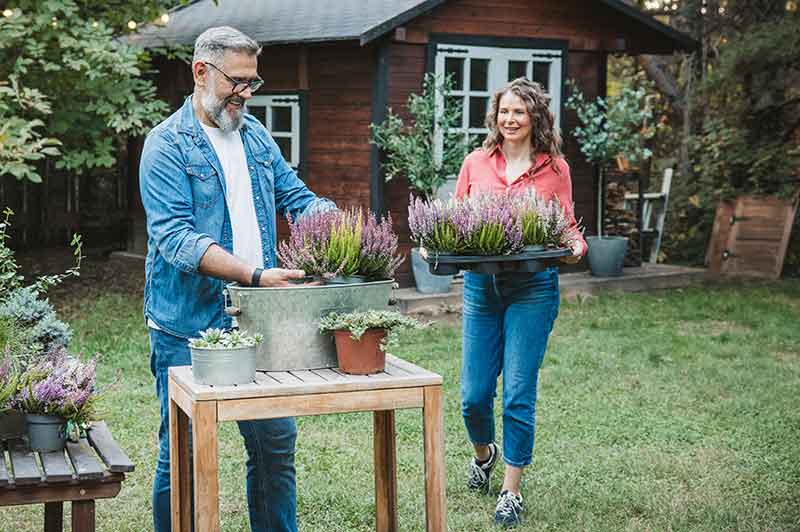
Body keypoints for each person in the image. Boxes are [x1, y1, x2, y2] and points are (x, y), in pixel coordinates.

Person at [139, 26, 335, 532]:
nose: (247, 93)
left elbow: (297, 197)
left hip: (257, 317)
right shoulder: (166, 145)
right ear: (201, 71)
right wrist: (255, 274)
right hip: (187, 325)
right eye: (238, 81)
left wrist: (336, 221)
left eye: (253, 81)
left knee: (274, 445)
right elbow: (177, 240)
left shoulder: (254, 135)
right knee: (182, 451)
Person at [454, 77, 586, 528]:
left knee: (516, 393)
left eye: (519, 112)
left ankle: (511, 490)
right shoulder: (475, 162)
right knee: (472, 396)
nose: (510, 120)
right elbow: (456, 220)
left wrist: (576, 246)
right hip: (481, 289)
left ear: (535, 118)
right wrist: (439, 244)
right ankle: (484, 454)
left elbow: (566, 224)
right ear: (495, 117)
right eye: (504, 112)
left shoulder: (555, 168)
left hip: (533, 289)